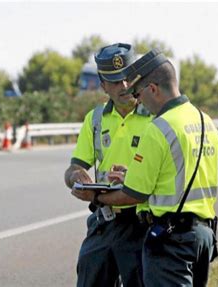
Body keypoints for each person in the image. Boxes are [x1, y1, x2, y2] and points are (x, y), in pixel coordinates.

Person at [72, 49, 218, 287]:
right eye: (114, 81)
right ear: (103, 86)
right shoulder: (205, 121)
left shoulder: (160, 125)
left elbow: (135, 193)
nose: (133, 95)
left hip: (164, 233)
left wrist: (96, 196)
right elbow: (178, 173)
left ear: (151, 88)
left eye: (135, 89)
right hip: (200, 235)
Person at [64, 43, 152, 287]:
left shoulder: (157, 117)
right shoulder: (95, 119)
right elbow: (73, 169)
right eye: (114, 81)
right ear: (103, 86)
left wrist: (133, 176)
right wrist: (78, 179)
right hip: (105, 221)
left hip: (143, 223)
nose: (123, 86)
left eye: (127, 78)